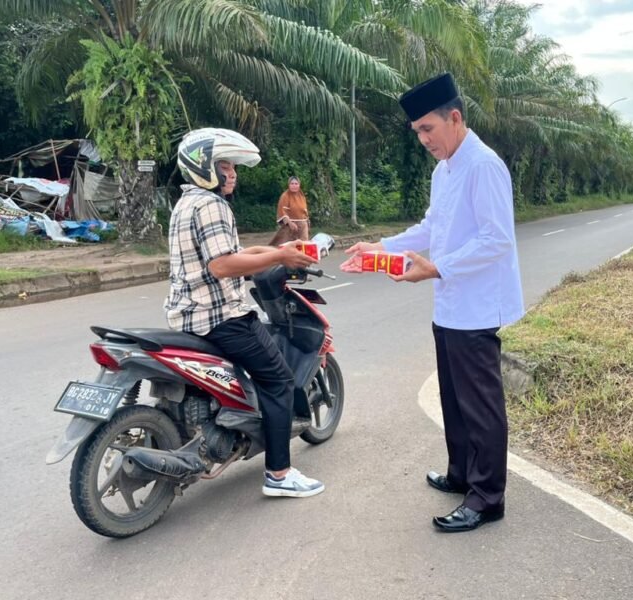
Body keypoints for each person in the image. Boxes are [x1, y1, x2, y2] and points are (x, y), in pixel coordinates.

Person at [341, 73, 524, 532]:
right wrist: (378, 248)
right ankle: (463, 472)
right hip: (449, 306)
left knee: (480, 406)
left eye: (428, 129)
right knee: (455, 400)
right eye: (417, 132)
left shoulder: (483, 166)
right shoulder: (444, 172)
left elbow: (496, 239)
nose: (423, 139)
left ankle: (487, 497)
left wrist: (437, 268)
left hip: (478, 306)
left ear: (455, 118)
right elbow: (429, 230)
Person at [165, 128, 325, 498]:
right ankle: (280, 474)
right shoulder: (211, 205)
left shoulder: (186, 202)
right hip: (221, 318)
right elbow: (223, 266)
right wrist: (283, 257)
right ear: (202, 166)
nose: (232, 173)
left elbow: (235, 252)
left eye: (233, 166)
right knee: (280, 381)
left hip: (186, 316)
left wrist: (282, 247)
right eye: (224, 165)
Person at [271, 175, 310, 245]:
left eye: (296, 184)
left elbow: (304, 211)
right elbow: (282, 211)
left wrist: (306, 222)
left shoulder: (301, 196)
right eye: (292, 184)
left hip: (303, 226)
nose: (294, 186)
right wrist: (289, 223)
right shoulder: (285, 196)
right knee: (285, 246)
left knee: (303, 245)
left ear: (299, 185)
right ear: (289, 185)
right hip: (290, 226)